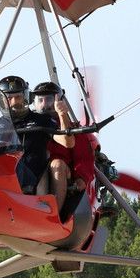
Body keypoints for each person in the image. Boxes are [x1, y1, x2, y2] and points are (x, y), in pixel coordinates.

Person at [0, 75, 73, 198]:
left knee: (13, 160)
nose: (14, 102)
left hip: (30, 181)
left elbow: (68, 142)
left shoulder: (40, 120)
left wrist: (63, 116)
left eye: (18, 97)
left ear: (27, 98)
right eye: (9, 98)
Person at [32, 81, 97, 220]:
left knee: (57, 164)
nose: (44, 104)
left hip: (62, 175)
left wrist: (81, 178)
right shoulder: (30, 127)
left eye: (49, 99)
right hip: (34, 173)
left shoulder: (74, 130)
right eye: (40, 100)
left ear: (59, 101)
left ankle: (53, 216)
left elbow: (84, 158)